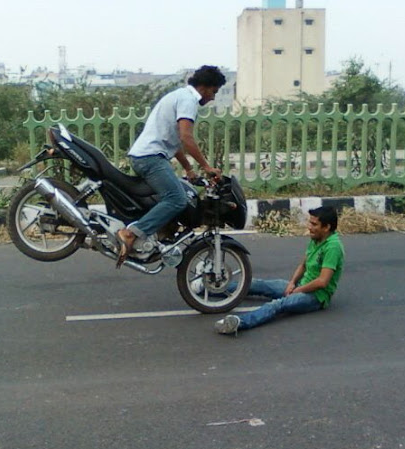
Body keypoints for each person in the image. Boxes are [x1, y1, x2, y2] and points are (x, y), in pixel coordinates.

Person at [115, 65, 225, 268]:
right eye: (214, 91)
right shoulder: (188, 100)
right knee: (176, 199)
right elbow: (186, 137)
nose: (213, 98)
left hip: (149, 156)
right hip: (150, 158)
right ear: (204, 87)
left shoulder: (181, 96)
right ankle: (131, 233)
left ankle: (160, 232)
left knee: (176, 193)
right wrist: (206, 167)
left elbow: (174, 143)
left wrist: (189, 169)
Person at [214, 206, 345, 335]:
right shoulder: (316, 239)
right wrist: (292, 283)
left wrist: (298, 290)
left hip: (316, 297)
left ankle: (238, 323)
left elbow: (322, 282)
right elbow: (303, 265)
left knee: (277, 305)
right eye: (310, 222)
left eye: (314, 224)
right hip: (301, 286)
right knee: (256, 284)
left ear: (326, 227)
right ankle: (205, 288)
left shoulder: (333, 247)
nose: (309, 227)